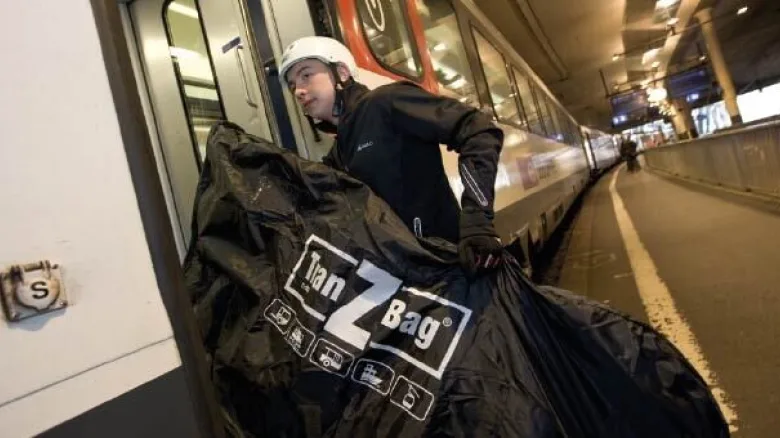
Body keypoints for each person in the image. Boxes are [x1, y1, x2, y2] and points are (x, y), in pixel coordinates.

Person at [279, 36, 504, 277]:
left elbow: (478, 130)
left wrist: (477, 219)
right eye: (292, 86)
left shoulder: (385, 103)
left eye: (306, 75)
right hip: (410, 278)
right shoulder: (339, 153)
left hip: (448, 262)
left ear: (341, 72)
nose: (299, 91)